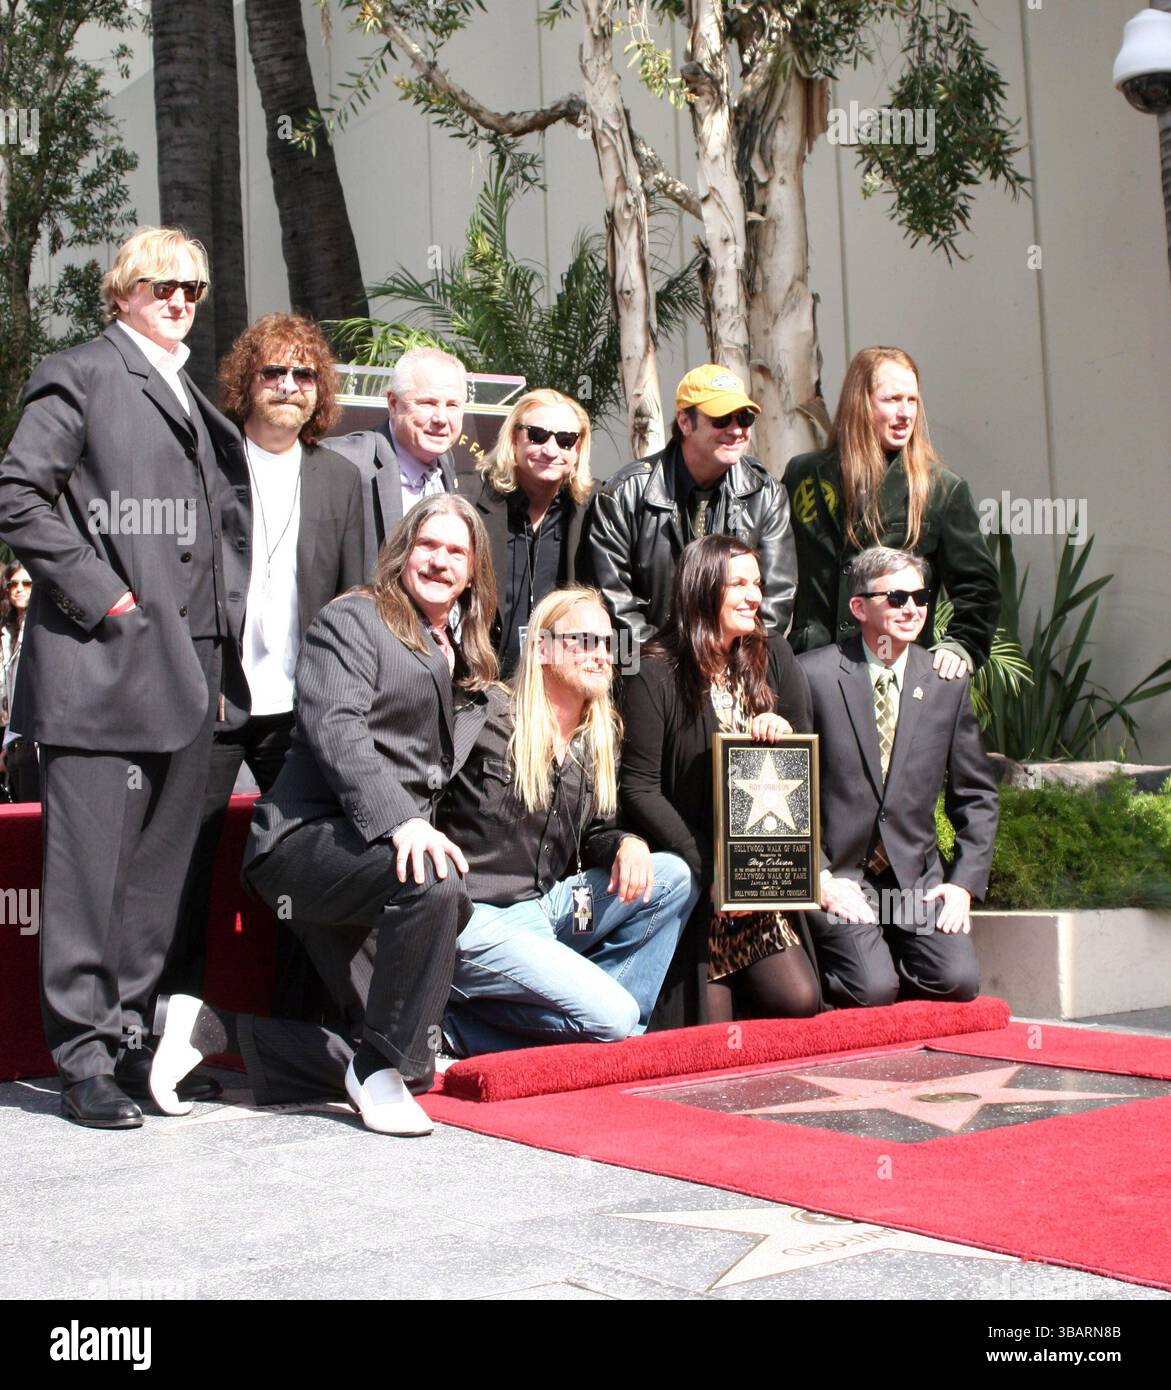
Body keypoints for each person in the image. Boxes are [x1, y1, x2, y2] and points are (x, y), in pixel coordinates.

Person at [0, 226, 251, 1128]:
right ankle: (82, 1059)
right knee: (89, 878)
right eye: (161, 284)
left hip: (192, 671)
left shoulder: (190, 388)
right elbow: (18, 493)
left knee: (157, 881)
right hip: (102, 672)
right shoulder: (84, 371)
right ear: (122, 292)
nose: (180, 298)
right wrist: (106, 597)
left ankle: (138, 1040)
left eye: (193, 285)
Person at [150, 494, 497, 1137]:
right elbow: (337, 730)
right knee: (435, 881)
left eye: (456, 551)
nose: (440, 561)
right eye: (429, 545)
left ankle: (207, 1027)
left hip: (375, 864)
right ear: (403, 550)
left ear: (474, 571)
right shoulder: (354, 618)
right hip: (306, 845)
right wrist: (403, 823)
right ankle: (371, 1073)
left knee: (407, 1061)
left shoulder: (470, 659)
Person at [164, 312, 365, 1007]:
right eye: (272, 372)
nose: (288, 385)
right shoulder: (206, 468)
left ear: (320, 391)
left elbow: (355, 603)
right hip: (212, 704)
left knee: (309, 867)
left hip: (302, 714)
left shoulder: (341, 479)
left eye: (303, 374)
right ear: (244, 384)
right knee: (184, 867)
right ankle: (170, 1024)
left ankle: (300, 1031)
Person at [439, 587, 697, 1056]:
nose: (600, 655)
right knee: (615, 1017)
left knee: (674, 876)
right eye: (583, 640)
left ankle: (604, 1026)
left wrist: (627, 844)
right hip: (475, 918)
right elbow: (424, 796)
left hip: (546, 909)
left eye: (606, 643)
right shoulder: (486, 714)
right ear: (540, 647)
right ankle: (455, 1027)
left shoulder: (596, 738)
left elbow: (597, 832)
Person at [621, 535, 821, 1027]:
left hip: (757, 879)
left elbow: (804, 757)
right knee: (706, 1036)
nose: (755, 595)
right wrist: (711, 871)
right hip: (695, 878)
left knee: (800, 1003)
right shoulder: (654, 672)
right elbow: (638, 788)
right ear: (702, 587)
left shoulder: (771, 654)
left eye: (758, 583)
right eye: (739, 583)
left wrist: (781, 733)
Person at [798, 546, 999, 1008]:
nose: (912, 608)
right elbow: (791, 792)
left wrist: (963, 884)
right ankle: (863, 963)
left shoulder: (946, 682)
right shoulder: (815, 675)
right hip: (842, 876)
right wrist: (818, 879)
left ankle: (882, 953)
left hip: (916, 879)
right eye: (897, 597)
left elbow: (976, 795)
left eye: (921, 596)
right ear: (859, 606)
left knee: (958, 981)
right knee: (872, 990)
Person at [783, 346, 1000, 676]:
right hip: (813, 670)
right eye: (892, 399)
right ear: (861, 402)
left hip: (895, 671)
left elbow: (979, 589)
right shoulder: (803, 474)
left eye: (912, 400)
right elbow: (773, 573)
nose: (905, 413)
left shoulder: (941, 489)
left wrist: (963, 646)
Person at [589, 364, 797, 645]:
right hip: (651, 668)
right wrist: (666, 662)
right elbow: (612, 598)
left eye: (745, 418)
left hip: (736, 665)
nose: (736, 430)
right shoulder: (625, 493)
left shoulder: (767, 494)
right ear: (684, 422)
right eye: (722, 419)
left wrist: (726, 657)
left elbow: (776, 599)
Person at [472, 389, 596, 675]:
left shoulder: (592, 509)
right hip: (482, 685)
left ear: (577, 450)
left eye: (566, 441)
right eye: (538, 435)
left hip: (557, 684)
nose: (551, 450)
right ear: (514, 438)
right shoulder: (469, 499)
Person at [326, 345, 465, 576]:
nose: (441, 418)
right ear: (393, 403)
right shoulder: (345, 463)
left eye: (452, 405)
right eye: (427, 403)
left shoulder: (446, 463)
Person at [0, 561, 39, 802]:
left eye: (26, 583)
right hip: (14, 739)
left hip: (35, 740)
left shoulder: (39, 628)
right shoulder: (7, 632)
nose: (19, 589)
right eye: (13, 583)